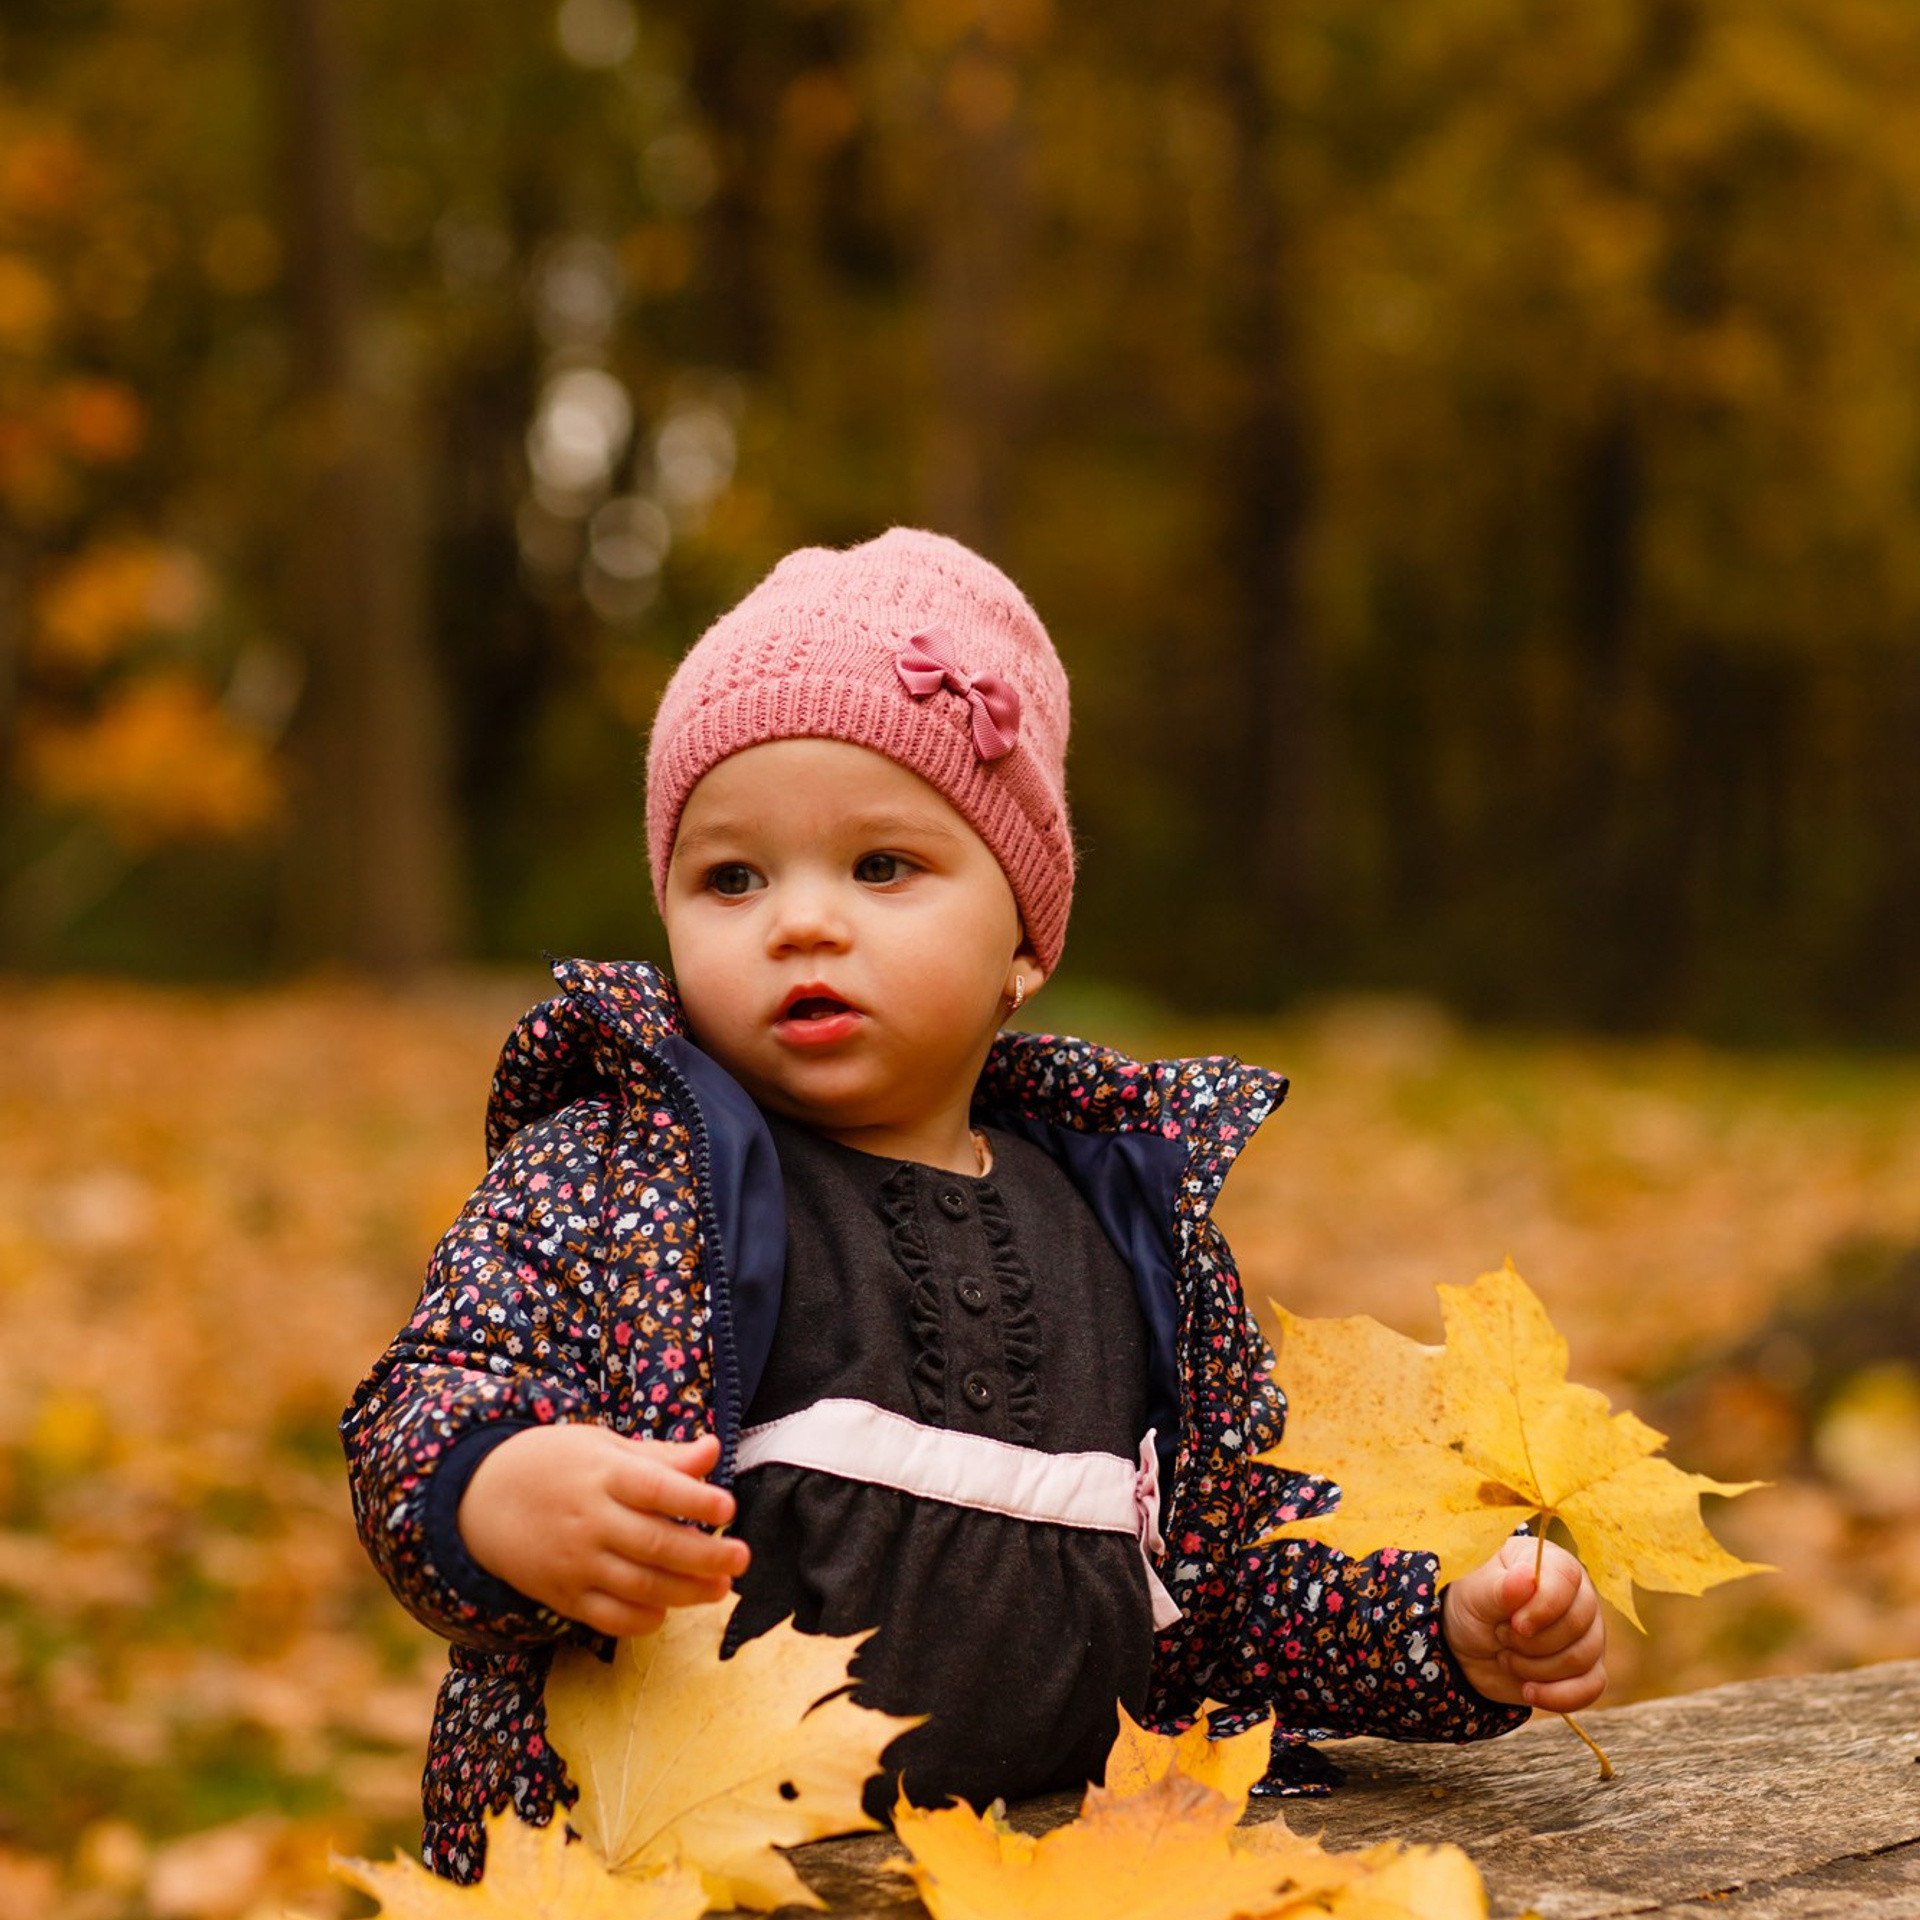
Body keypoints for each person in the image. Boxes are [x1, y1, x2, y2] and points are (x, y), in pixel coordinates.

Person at [341, 529, 1606, 1883]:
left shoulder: (1124, 1221)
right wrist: (495, 1492)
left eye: (881, 867)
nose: (800, 924)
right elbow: (424, 1403)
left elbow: (1234, 1579)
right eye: (731, 878)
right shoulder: (615, 1169)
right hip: (677, 1870)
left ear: (1023, 942)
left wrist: (1445, 1636)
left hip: (1046, 1873)